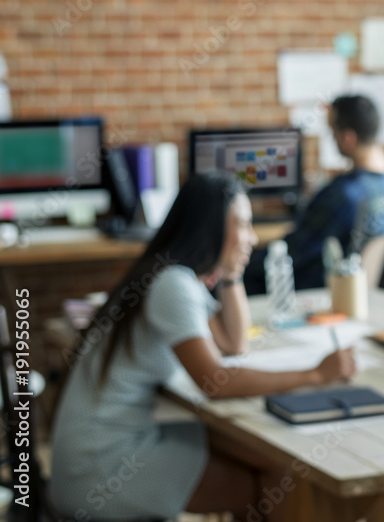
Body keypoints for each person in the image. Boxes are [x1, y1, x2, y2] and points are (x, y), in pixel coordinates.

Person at [49, 173, 356, 521]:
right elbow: (216, 382)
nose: (251, 238)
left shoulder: (173, 276)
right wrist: (317, 374)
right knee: (276, 481)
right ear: (209, 226)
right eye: (242, 224)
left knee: (268, 460)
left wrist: (230, 274)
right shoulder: (172, 285)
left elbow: (233, 342)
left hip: (94, 455)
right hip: (101, 468)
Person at [244, 94, 384, 294]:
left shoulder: (341, 195)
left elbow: (295, 251)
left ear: (348, 138)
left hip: (317, 293)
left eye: (332, 132)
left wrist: (243, 261)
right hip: (363, 295)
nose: (332, 138)